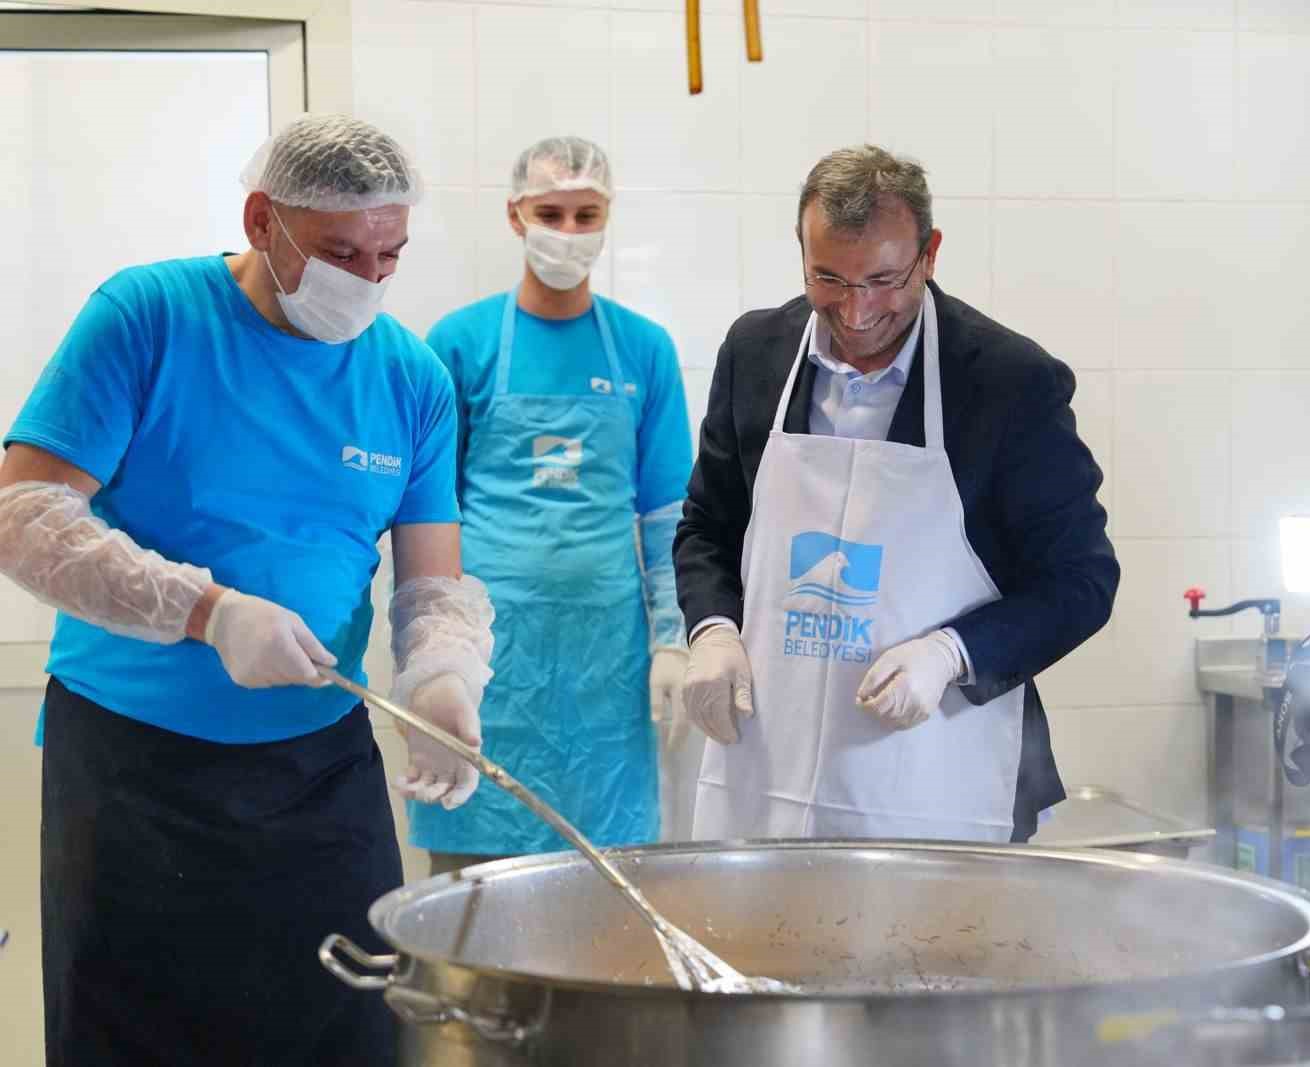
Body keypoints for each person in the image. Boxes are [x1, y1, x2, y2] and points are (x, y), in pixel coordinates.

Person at [0, 115, 495, 1066]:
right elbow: (27, 516)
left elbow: (434, 584)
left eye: (390, 254)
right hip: (129, 770)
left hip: (318, 775)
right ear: (262, 218)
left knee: (345, 1028)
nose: (370, 279)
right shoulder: (147, 316)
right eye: (341, 251)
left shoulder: (411, 380)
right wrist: (207, 612)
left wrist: (443, 676)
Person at [673, 145, 1119, 844]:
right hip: (770, 773)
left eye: (883, 279)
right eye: (829, 277)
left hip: (940, 776)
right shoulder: (756, 352)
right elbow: (707, 525)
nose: (855, 312)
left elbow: (1084, 580)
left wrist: (953, 652)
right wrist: (712, 629)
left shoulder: (1008, 382)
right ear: (800, 249)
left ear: (930, 254)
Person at [414, 137, 694, 871]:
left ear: (607, 219)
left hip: (608, 658)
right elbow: (427, 512)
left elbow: (667, 515)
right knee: (474, 876)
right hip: (489, 654)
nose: (568, 232)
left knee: (605, 883)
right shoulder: (459, 342)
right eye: (550, 212)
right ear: (515, 217)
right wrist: (432, 651)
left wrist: (672, 638)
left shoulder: (644, 349)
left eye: (585, 214)